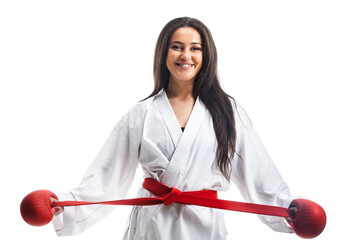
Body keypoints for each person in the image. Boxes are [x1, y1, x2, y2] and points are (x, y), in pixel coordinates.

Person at [50, 17, 298, 240]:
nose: (185, 55)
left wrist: (286, 208)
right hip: (154, 223)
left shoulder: (227, 111)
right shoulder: (142, 113)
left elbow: (257, 169)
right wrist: (66, 204)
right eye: (177, 47)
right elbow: (107, 175)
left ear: (206, 55)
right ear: (163, 53)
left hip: (204, 224)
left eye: (195, 48)